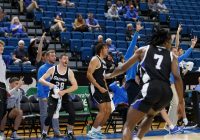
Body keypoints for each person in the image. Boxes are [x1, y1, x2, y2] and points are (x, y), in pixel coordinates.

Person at [105, 27, 184, 140]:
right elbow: (177, 77)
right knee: (150, 115)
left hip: (151, 87)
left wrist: (109, 75)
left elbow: (122, 68)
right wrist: (181, 102)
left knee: (128, 125)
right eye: (170, 42)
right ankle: (138, 138)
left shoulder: (143, 50)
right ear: (165, 41)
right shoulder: (172, 56)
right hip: (166, 92)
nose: (170, 45)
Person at [39, 54, 78, 140]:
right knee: (49, 115)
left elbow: (75, 86)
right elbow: (41, 79)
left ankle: (70, 132)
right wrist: (50, 84)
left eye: (67, 59)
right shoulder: (53, 69)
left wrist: (64, 91)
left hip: (64, 95)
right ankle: (44, 133)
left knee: (72, 113)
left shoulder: (69, 72)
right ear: (60, 60)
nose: (66, 60)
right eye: (64, 58)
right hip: (53, 95)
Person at [87, 43, 111, 139]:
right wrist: (99, 87)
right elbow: (89, 75)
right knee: (103, 110)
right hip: (96, 88)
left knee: (108, 111)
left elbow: (103, 78)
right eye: (106, 48)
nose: (108, 50)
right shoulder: (95, 59)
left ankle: (97, 130)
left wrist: (106, 89)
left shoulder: (104, 62)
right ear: (101, 49)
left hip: (103, 88)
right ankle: (92, 132)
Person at [37, 50, 62, 137]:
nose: (54, 57)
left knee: (55, 113)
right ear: (47, 57)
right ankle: (44, 133)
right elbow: (39, 83)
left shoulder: (56, 68)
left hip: (54, 95)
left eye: (55, 56)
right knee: (44, 114)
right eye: (52, 56)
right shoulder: (42, 68)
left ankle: (56, 132)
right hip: (44, 95)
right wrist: (43, 96)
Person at [124, 22, 142, 105]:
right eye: (137, 50)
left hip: (138, 83)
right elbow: (132, 45)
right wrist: (137, 32)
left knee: (138, 105)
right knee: (132, 104)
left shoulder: (140, 60)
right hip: (131, 83)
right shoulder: (129, 57)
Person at [0, 40, 8, 139]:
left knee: (2, 111)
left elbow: (3, 76)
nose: (1, 48)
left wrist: (6, 89)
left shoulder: (2, 59)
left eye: (2, 46)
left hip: (2, 87)